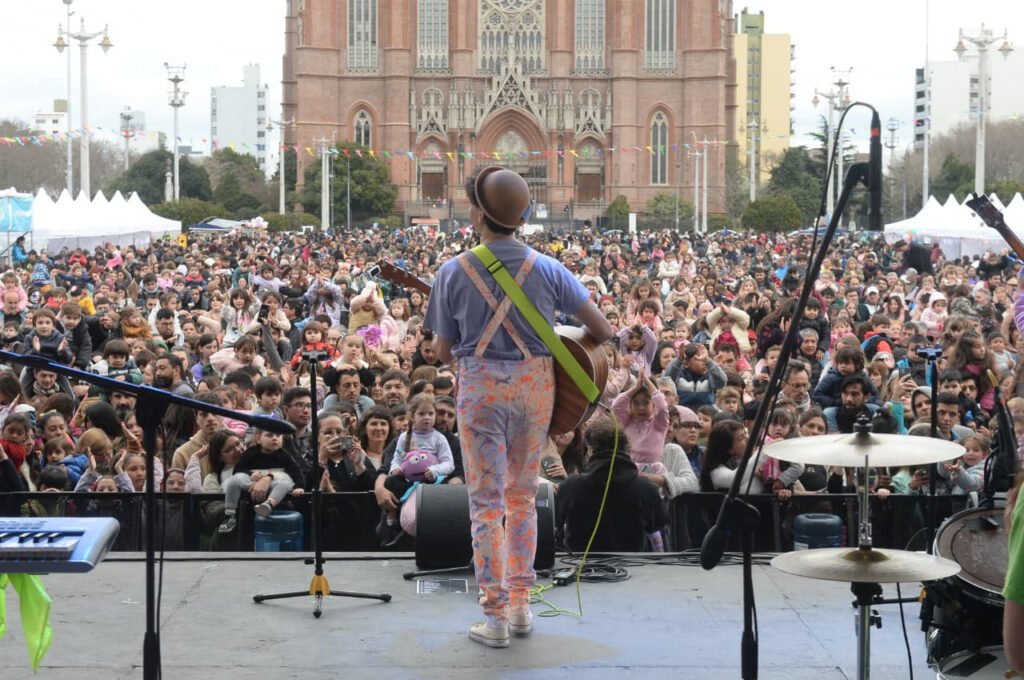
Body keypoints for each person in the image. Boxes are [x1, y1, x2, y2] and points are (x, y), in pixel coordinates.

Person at [423, 166, 613, 647]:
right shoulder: (549, 268)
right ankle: (524, 606)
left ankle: (495, 616)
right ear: (523, 217)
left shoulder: (453, 271)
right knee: (523, 497)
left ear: (477, 213)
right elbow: (603, 330)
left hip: (480, 391)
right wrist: (566, 347)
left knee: (485, 505)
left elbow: (443, 353)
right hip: (535, 389)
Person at [555, 419, 668, 553]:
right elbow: (656, 526)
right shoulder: (646, 488)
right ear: (626, 448)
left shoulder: (571, 486)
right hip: (633, 568)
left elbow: (556, 525)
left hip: (582, 568)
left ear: (591, 450)